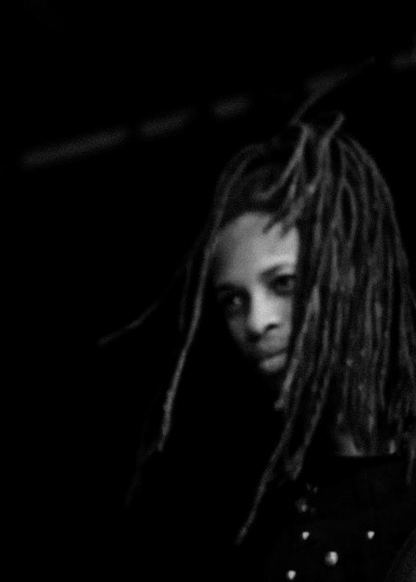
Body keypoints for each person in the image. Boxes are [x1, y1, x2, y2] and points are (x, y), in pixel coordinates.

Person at [126, 113, 416, 579]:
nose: (256, 322)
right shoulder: (269, 528)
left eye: (284, 283)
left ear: (350, 276)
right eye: (233, 301)